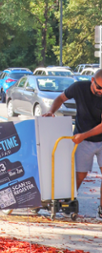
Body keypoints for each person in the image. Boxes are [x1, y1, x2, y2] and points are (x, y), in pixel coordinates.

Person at [43, 68, 102, 218]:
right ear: (92, 81)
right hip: (82, 139)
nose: (101, 91)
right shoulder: (78, 87)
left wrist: (84, 135)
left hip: (94, 137)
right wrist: (51, 111)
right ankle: (68, 205)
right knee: (79, 175)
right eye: (99, 87)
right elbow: (61, 98)